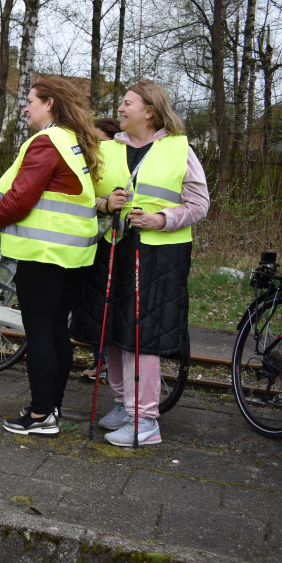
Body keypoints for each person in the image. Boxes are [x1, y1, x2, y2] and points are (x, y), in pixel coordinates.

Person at [77, 80, 209, 446]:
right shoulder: (108, 150)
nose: (119, 109)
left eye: (127, 103)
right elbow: (88, 199)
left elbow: (199, 205)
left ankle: (146, 421)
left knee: (143, 335)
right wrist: (105, 205)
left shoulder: (178, 149)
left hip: (159, 256)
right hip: (114, 249)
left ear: (149, 111)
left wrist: (161, 219)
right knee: (115, 329)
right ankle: (122, 403)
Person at [0, 77, 101, 436]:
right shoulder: (72, 141)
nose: (26, 107)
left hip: (43, 255)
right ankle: (51, 407)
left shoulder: (46, 142)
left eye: (31, 101)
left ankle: (41, 413)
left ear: (50, 104)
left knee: (41, 332)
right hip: (70, 255)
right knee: (56, 330)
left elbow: (21, 198)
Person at [81, 116, 121, 381]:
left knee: (103, 299)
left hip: (112, 237)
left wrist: (101, 202)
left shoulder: (118, 163)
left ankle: (102, 362)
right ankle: (100, 361)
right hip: (91, 234)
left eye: (102, 142)